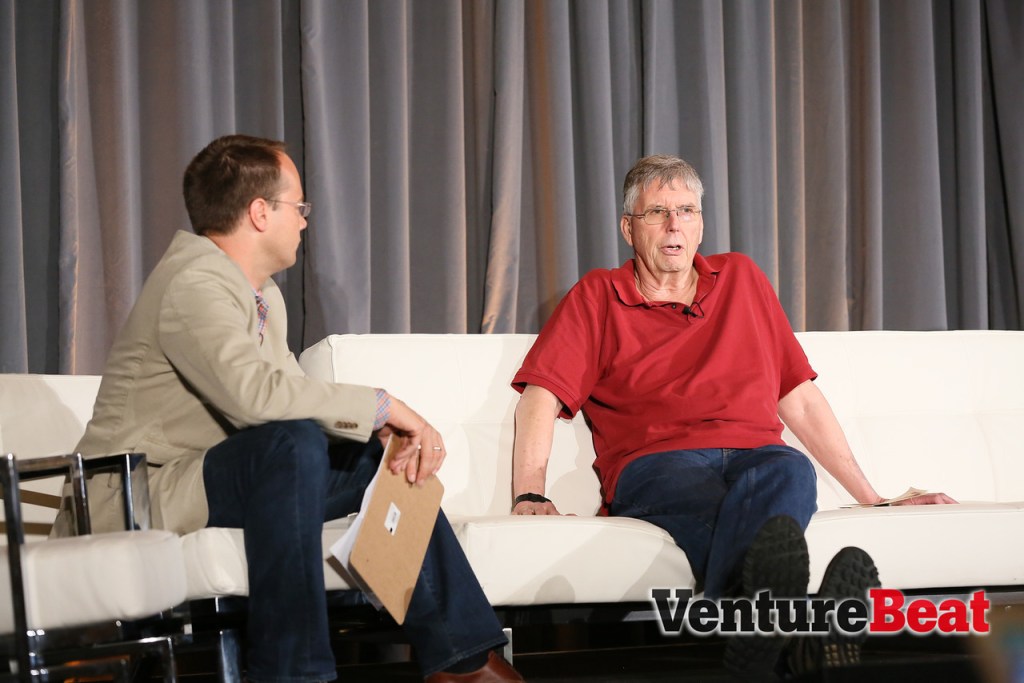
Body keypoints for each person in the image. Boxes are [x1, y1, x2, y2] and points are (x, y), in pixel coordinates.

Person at [71, 134, 524, 683]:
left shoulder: (263, 295)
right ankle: (294, 673)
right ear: (260, 212)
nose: (305, 222)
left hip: (211, 478)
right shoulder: (194, 282)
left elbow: (286, 396)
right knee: (292, 442)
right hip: (135, 493)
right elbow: (256, 397)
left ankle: (464, 661)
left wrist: (373, 435)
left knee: (374, 461)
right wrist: (382, 406)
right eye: (299, 207)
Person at [509, 154, 955, 679]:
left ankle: (752, 644)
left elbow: (800, 397)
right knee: (728, 507)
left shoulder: (742, 277)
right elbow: (540, 396)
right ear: (629, 228)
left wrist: (873, 497)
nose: (674, 225)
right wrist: (530, 493)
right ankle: (795, 634)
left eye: (686, 211)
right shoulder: (597, 295)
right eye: (657, 213)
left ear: (701, 222)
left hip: (757, 457)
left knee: (790, 468)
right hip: (658, 465)